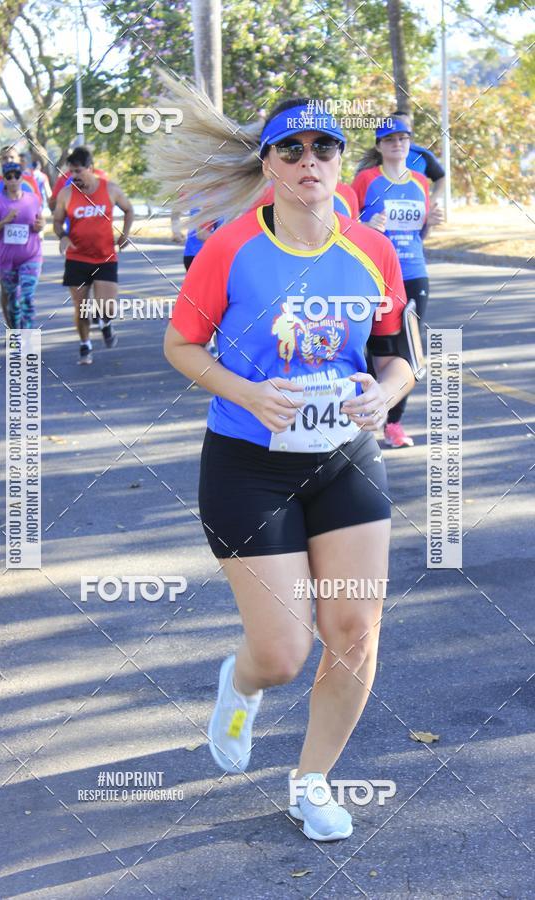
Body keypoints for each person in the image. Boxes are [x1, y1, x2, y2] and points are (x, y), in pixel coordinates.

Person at [152, 76, 416, 842]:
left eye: (323, 146)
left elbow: (399, 357)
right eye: (291, 149)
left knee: (355, 629)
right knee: (282, 654)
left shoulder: (372, 250)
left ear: (340, 159)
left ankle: (312, 782)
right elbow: (181, 345)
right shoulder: (231, 248)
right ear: (268, 163)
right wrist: (249, 392)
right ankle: (241, 685)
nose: (309, 160)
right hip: (249, 463)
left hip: (346, 457)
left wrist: (384, 395)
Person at [352, 117, 443, 448]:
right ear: (379, 146)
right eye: (390, 139)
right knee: (369, 345)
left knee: (407, 351)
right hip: (374, 272)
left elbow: (420, 234)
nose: (398, 144)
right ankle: (362, 413)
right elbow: (346, 222)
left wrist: (431, 221)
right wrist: (366, 225)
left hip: (414, 272)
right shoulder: (366, 180)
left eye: (403, 138)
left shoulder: (419, 181)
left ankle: (393, 423)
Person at [52, 146, 134, 364]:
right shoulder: (66, 194)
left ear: (90, 168)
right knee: (81, 308)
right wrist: (63, 236)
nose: (74, 176)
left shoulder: (110, 189)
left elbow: (129, 210)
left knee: (107, 307)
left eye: (78, 171)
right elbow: (57, 221)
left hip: (105, 257)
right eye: (71, 172)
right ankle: (85, 345)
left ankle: (105, 322)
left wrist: (125, 234)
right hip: (77, 259)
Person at [0, 146, 42, 323]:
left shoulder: (32, 198)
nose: (13, 179)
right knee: (13, 302)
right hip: (6, 258)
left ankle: (28, 337)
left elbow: (40, 221)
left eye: (17, 176)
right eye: (9, 177)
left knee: (27, 299)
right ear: (4, 179)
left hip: (31, 256)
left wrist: (40, 226)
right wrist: (5, 221)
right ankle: (15, 334)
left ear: (22, 177)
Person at [391, 110, 446, 204]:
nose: (402, 128)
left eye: (406, 124)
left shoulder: (422, 154)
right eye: (398, 124)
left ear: (410, 128)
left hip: (416, 209)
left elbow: (441, 177)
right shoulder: (377, 154)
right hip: (384, 210)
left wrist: (430, 202)